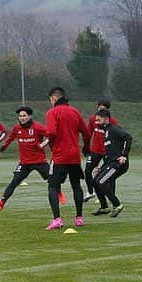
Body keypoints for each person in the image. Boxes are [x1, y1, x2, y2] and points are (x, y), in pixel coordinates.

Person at [44, 86, 90, 230]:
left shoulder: (52, 112)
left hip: (59, 156)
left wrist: (52, 147)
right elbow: (86, 132)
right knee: (76, 185)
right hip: (74, 157)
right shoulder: (75, 111)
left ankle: (57, 219)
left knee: (52, 186)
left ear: (54, 98)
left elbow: (51, 132)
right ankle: (79, 218)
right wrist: (86, 147)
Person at [0, 106, 50, 211]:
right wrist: (5, 146)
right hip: (24, 163)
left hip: (39, 161)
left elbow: (50, 136)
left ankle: (59, 193)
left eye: (24, 115)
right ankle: (2, 202)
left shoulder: (37, 127)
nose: (22, 118)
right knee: (14, 182)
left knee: (51, 180)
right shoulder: (17, 128)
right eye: (20, 116)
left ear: (30, 116)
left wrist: (42, 145)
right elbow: (11, 137)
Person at [91, 109, 132, 217]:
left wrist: (124, 155)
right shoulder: (106, 132)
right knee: (95, 181)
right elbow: (111, 153)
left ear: (105, 119)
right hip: (110, 163)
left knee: (101, 181)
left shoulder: (113, 129)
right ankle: (104, 207)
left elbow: (128, 137)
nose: (96, 122)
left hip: (118, 164)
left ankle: (117, 205)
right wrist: (101, 167)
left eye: (98, 120)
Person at [84, 100, 116, 200]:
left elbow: (115, 137)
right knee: (87, 171)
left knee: (109, 175)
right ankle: (90, 192)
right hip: (95, 151)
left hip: (108, 152)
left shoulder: (112, 122)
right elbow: (88, 134)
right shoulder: (93, 119)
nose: (101, 109)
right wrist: (86, 147)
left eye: (103, 108)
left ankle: (110, 195)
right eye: (99, 107)